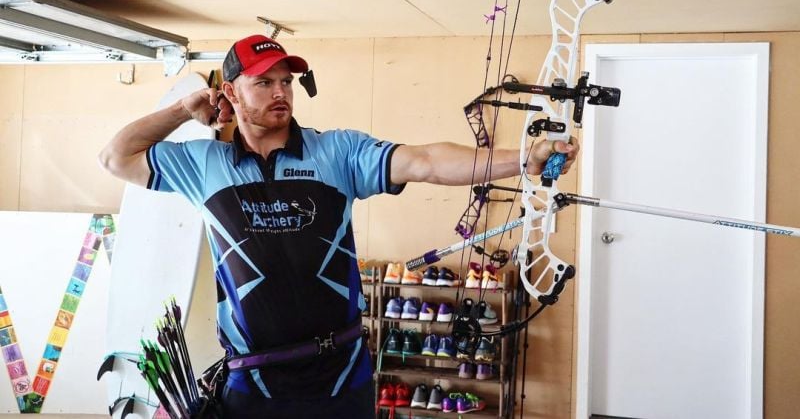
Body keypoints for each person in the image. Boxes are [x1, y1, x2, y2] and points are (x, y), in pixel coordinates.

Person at [98, 34, 579, 418]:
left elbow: (426, 161)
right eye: (263, 82)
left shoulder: (338, 153)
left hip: (341, 373)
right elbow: (116, 157)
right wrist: (185, 109)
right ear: (229, 92)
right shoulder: (205, 164)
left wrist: (523, 160)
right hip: (254, 383)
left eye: (286, 81)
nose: (280, 92)